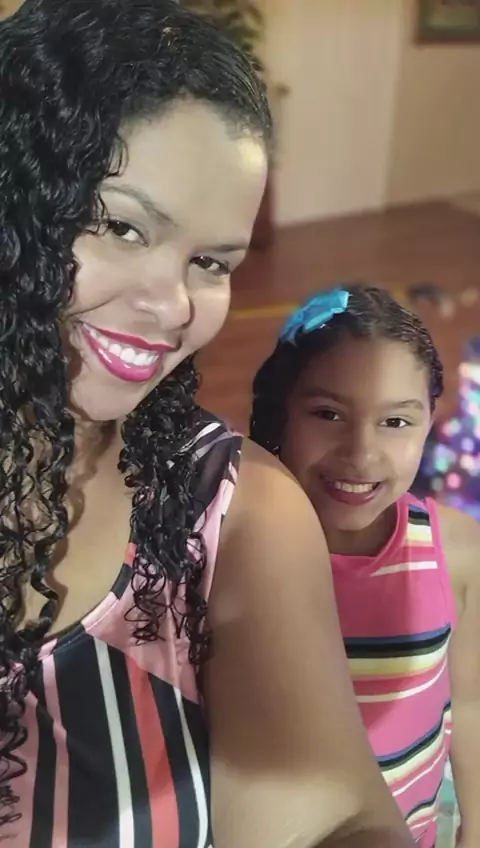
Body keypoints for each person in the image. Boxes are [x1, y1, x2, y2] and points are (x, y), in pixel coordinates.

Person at [0, 2, 416, 845]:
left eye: (210, 262)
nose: (173, 306)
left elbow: (333, 818)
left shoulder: (233, 513)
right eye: (122, 226)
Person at [250, 283, 480, 848]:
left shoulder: (456, 551)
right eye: (328, 414)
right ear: (281, 412)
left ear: (430, 420)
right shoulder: (236, 554)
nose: (360, 453)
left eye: (395, 422)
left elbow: (471, 704)